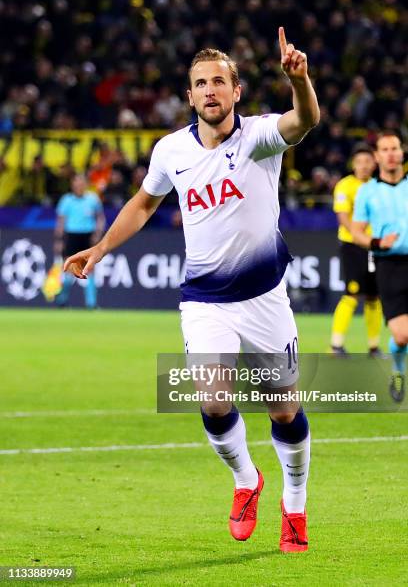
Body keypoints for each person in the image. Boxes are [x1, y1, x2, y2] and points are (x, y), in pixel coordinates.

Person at [64, 28, 320, 551]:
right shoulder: (170, 150)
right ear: (189, 95)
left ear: (236, 91)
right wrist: (98, 249)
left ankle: (294, 506)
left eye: (219, 82)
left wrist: (301, 82)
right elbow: (142, 204)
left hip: (265, 297)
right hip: (204, 300)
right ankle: (247, 480)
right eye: (200, 83)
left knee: (284, 411)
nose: (210, 90)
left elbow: (306, 120)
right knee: (213, 400)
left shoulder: (261, 137)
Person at [352, 132, 408, 402]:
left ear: (402, 152)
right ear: (377, 156)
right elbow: (357, 231)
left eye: (394, 148)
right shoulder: (367, 191)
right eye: (384, 149)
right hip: (389, 265)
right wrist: (377, 242)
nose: (390, 153)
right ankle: (398, 370)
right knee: (401, 335)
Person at [330, 144, 384, 356]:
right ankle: (336, 345)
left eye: (367, 161)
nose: (363, 166)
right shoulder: (345, 186)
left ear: (374, 163)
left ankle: (373, 346)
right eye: (359, 162)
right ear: (353, 164)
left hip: (375, 247)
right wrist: (360, 237)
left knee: (374, 296)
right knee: (352, 293)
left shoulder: (378, 186)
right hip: (353, 245)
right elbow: (343, 217)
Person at [54, 174, 105, 309]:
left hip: (87, 237)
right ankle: (62, 300)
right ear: (72, 185)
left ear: (86, 185)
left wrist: (97, 234)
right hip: (71, 236)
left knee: (90, 269)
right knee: (68, 270)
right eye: (77, 183)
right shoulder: (66, 200)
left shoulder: (93, 199)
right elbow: (61, 222)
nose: (79, 186)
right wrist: (59, 240)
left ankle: (91, 304)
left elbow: (100, 218)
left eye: (82, 183)